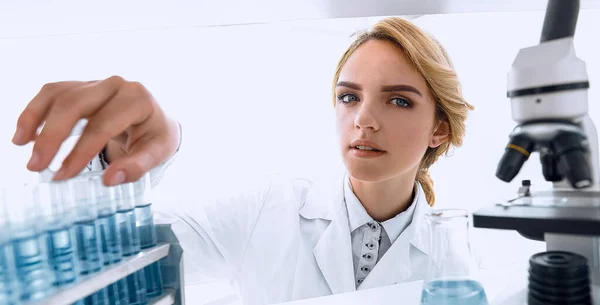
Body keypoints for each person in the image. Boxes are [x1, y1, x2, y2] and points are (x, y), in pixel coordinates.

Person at [12, 17, 473, 305]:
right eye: (349, 97)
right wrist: (118, 155)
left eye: (398, 102)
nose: (364, 120)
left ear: (440, 128)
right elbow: (117, 258)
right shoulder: (267, 208)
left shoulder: (454, 261)